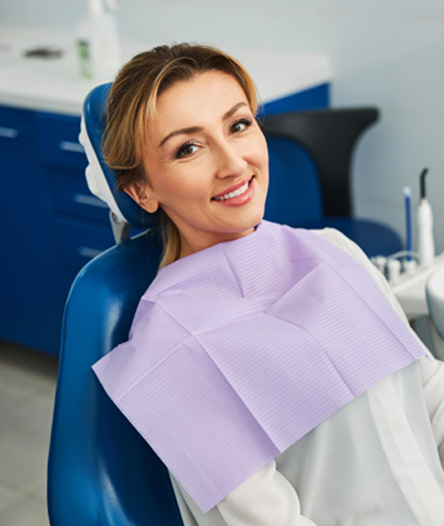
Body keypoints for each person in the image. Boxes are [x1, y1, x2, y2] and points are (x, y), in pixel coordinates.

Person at [92, 43, 444, 525]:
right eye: (188, 148)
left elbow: (428, 395)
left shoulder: (332, 252)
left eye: (238, 125)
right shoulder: (172, 354)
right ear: (140, 190)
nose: (234, 163)